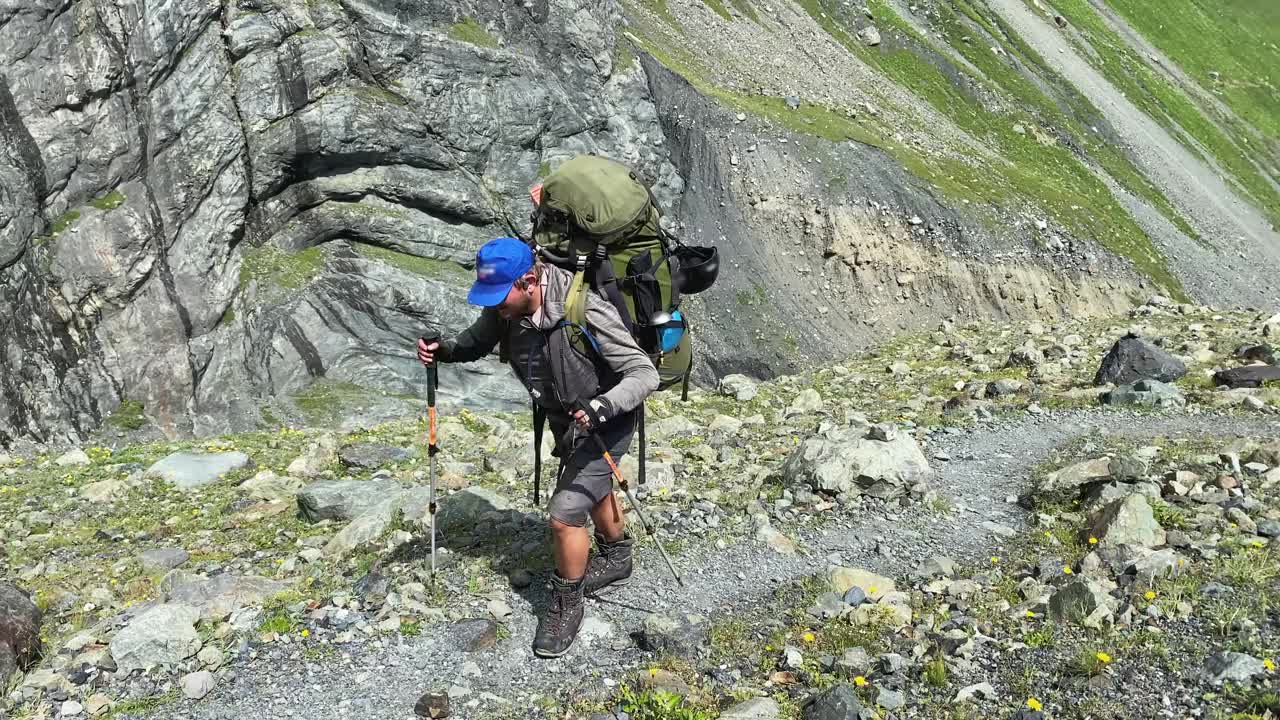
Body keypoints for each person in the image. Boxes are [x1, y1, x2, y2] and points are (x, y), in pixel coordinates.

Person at [415, 236, 659, 658]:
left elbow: (644, 373)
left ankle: (567, 602)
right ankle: (617, 556)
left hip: (608, 420)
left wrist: (603, 405)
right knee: (592, 487)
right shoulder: (505, 308)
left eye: (500, 296)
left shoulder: (586, 309)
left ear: (530, 281)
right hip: (567, 420)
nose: (495, 306)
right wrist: (445, 350)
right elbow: (476, 341)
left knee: (564, 516)